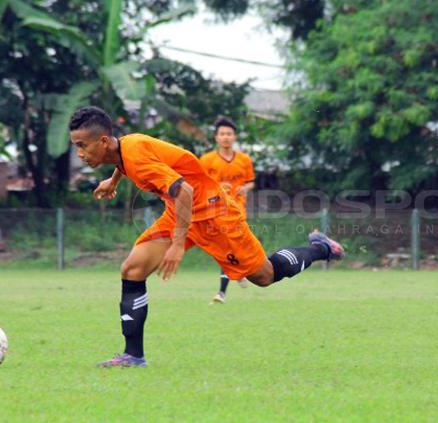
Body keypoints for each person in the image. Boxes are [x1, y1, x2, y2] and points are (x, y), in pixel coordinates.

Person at [68, 106, 344, 368]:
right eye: (77, 146)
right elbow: (131, 165)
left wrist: (177, 245)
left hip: (213, 214)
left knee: (264, 276)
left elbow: (184, 190)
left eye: (82, 145)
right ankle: (132, 355)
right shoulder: (124, 148)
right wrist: (113, 181)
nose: (79, 153)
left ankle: (320, 248)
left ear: (104, 141)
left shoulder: (136, 155)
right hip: (181, 212)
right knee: (132, 268)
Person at [199, 116, 255, 304]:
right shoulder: (206, 160)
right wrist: (215, 187)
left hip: (238, 211)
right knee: (225, 248)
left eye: (229, 134)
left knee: (234, 248)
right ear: (216, 137)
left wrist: (245, 188)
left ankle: (236, 273)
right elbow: (199, 184)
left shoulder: (245, 160)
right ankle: (225, 289)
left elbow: (251, 182)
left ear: (234, 137)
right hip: (216, 212)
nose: (225, 137)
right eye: (222, 134)